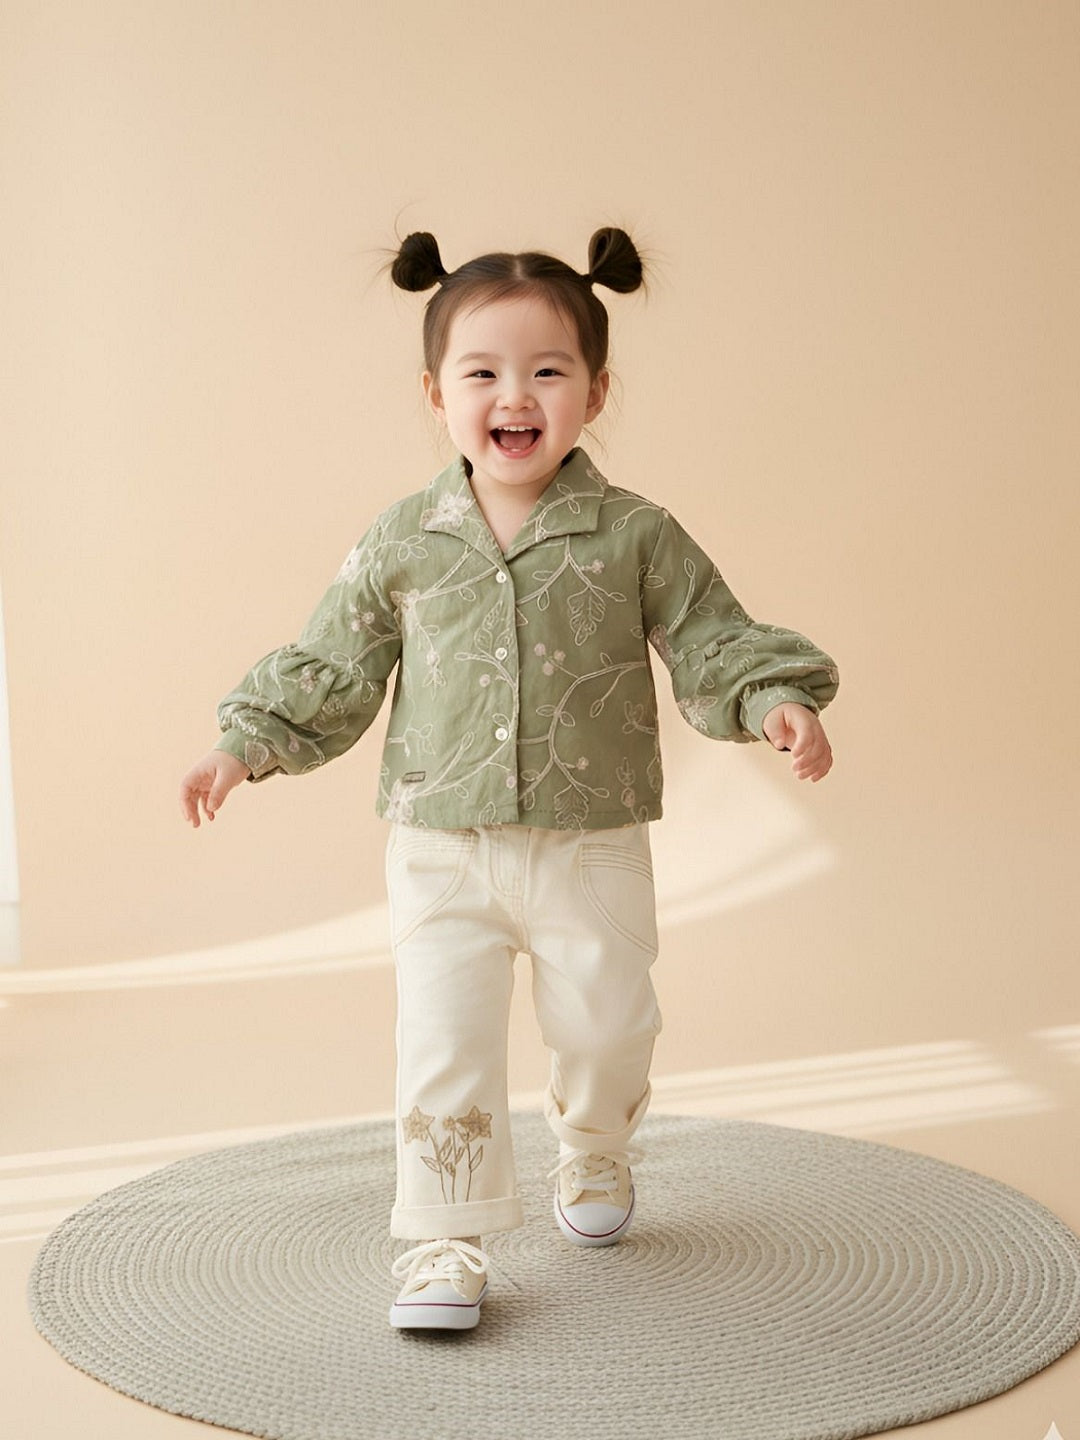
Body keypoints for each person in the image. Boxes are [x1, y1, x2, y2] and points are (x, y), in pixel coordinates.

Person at [179, 227, 839, 1332]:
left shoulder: (635, 535)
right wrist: (244, 744)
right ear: (436, 391)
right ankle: (445, 1238)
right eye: (482, 371)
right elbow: (335, 663)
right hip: (442, 849)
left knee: (609, 1026)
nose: (514, 394)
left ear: (595, 390)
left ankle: (594, 1151)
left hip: (592, 843)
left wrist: (775, 700)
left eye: (547, 370)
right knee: (441, 1045)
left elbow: (710, 634)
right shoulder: (404, 540)